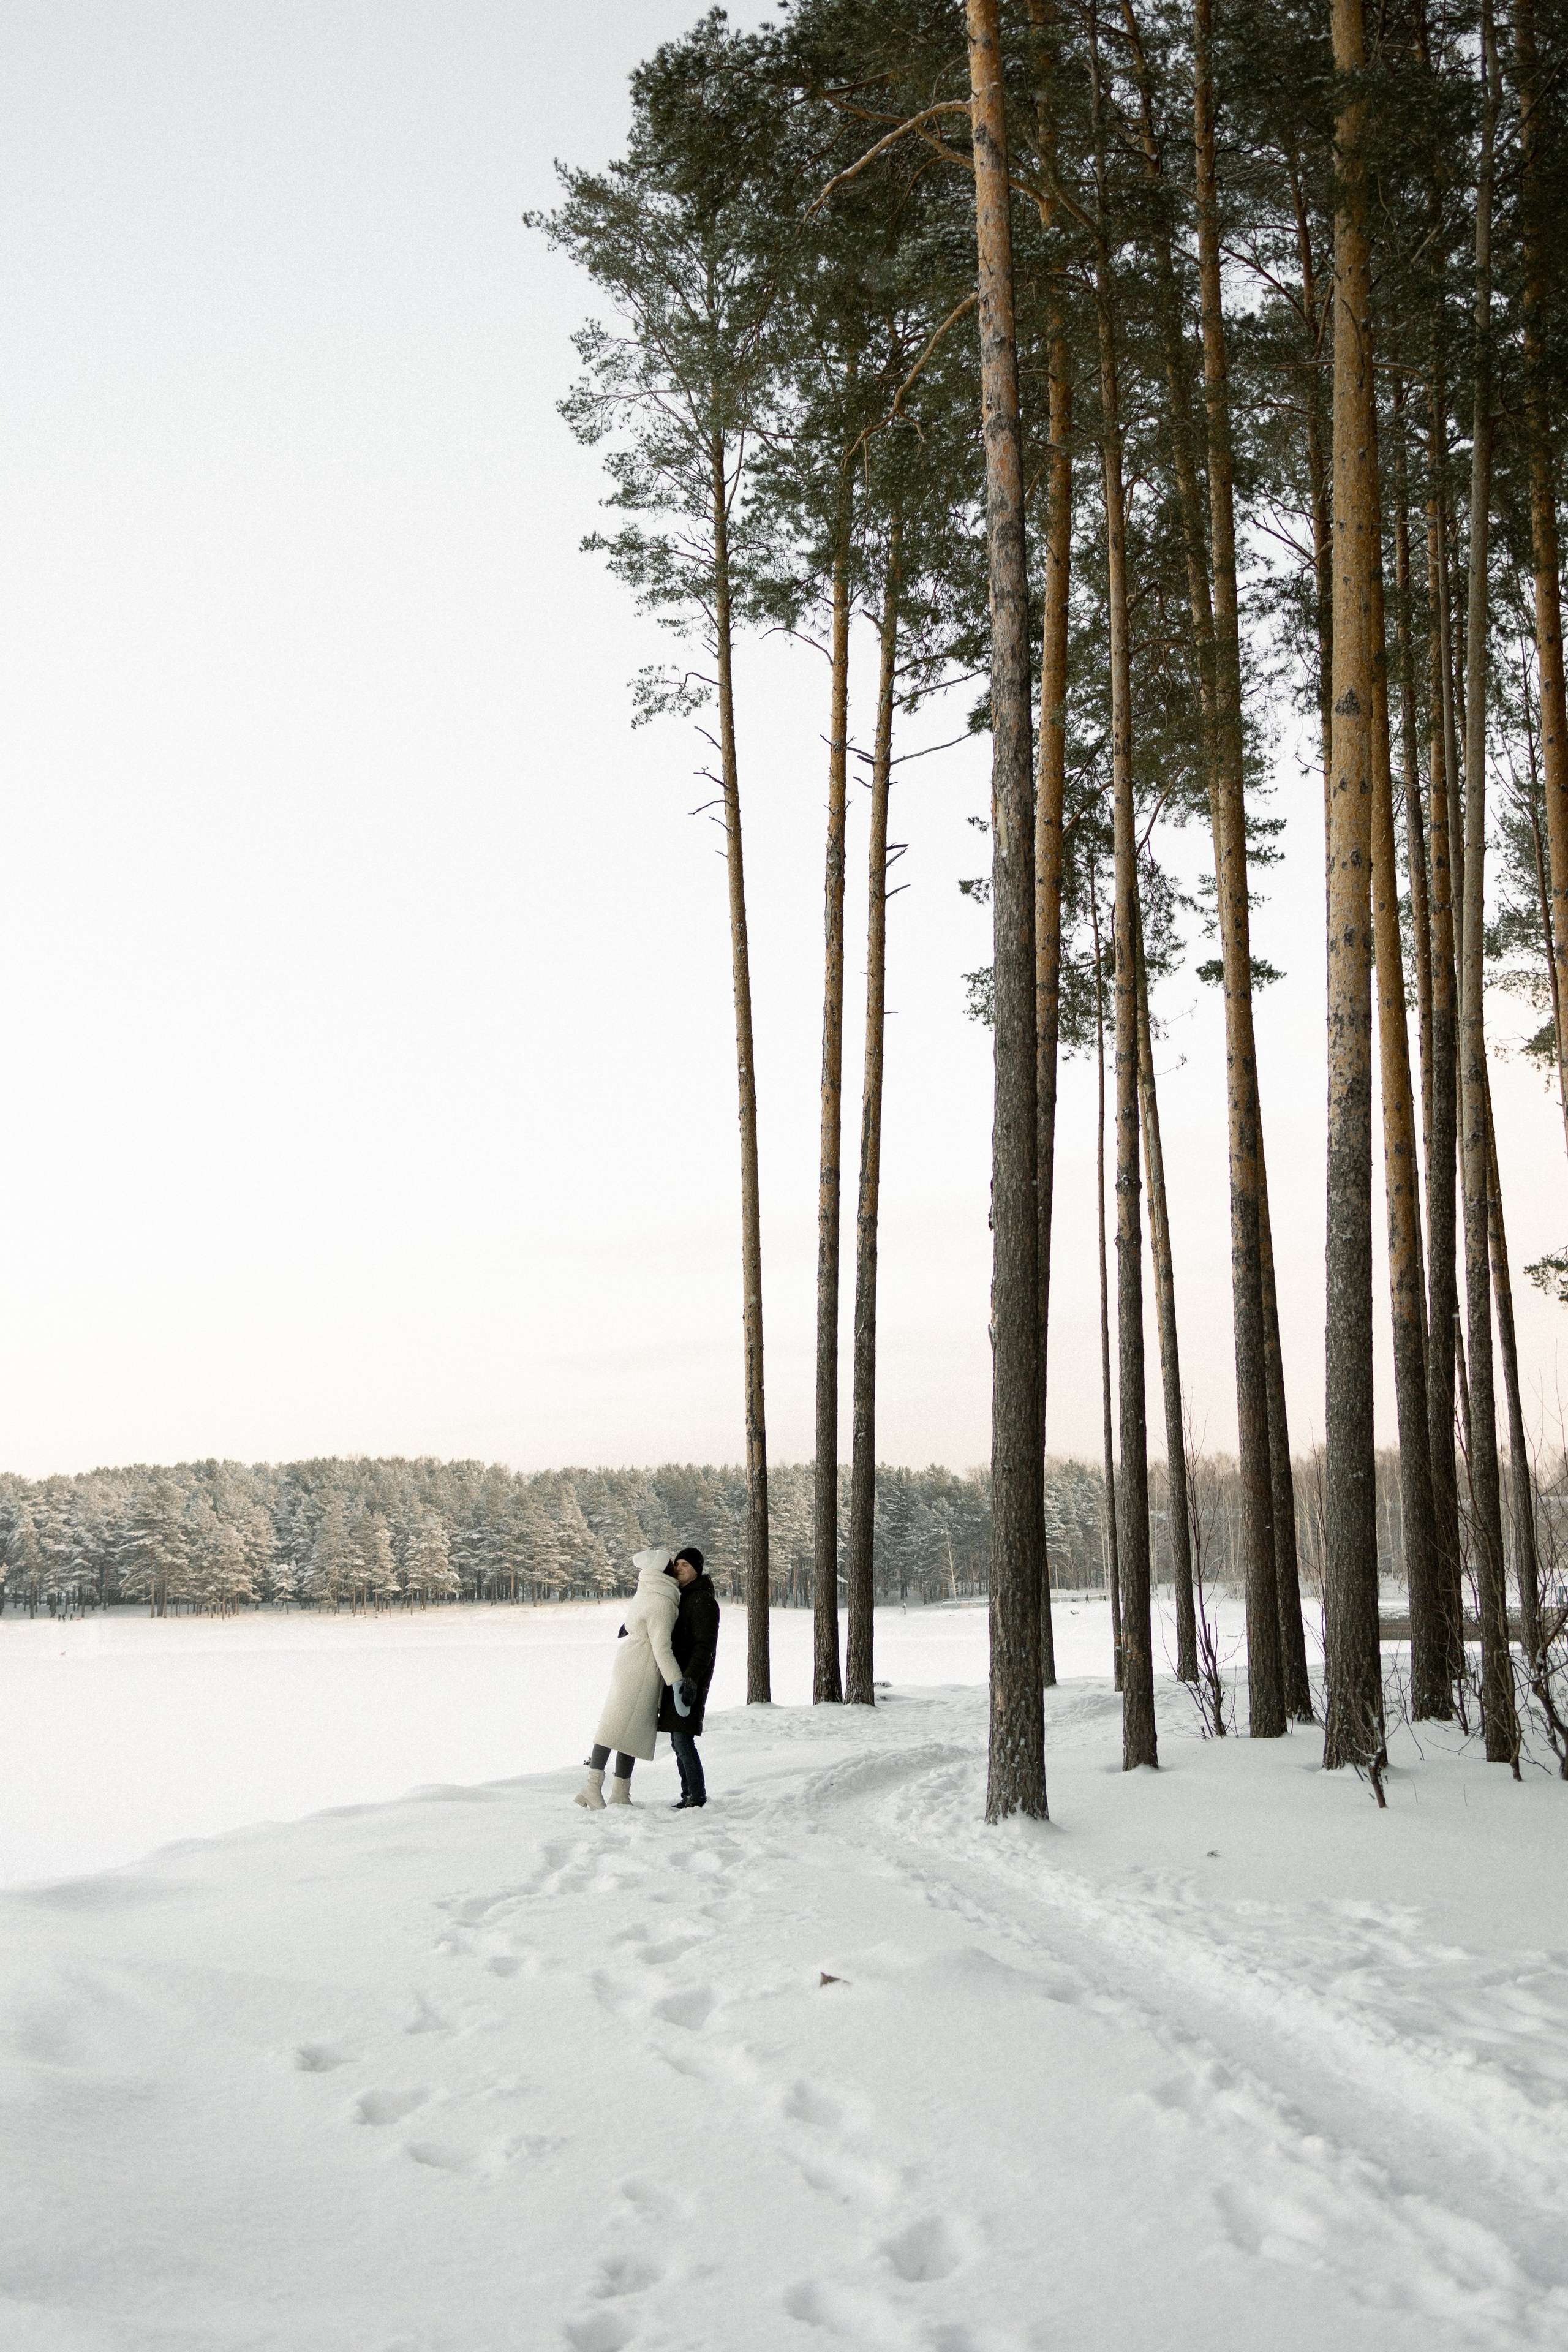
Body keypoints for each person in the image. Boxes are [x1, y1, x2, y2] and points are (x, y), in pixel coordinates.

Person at [575, 1546, 681, 1809]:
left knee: (628, 1730)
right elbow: (661, 1647)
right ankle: (591, 1788)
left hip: (631, 1663)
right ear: (663, 1570)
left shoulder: (647, 1591)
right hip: (642, 1669)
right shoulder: (662, 1600)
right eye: (672, 1565)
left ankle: (620, 1793)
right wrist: (676, 1681)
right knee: (615, 1727)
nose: (676, 1568)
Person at [657, 1545, 719, 1810]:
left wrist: (691, 1680)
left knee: (683, 1738)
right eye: (678, 1564)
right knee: (677, 1738)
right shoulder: (682, 1596)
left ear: (697, 1570)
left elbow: (705, 1646)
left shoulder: (703, 1600)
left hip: (690, 1680)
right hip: (677, 1678)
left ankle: (696, 1795)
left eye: (686, 1565)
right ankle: (689, 1794)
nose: (679, 1568)